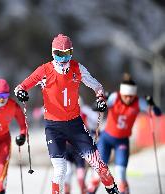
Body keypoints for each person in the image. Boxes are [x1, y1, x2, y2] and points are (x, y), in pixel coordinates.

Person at [14, 34, 120, 194]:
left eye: (67, 54)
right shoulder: (44, 70)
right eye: (59, 54)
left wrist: (101, 99)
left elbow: (97, 86)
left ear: (72, 52)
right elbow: (20, 87)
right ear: (52, 53)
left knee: (98, 164)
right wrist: (21, 93)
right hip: (53, 127)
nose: (63, 59)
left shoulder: (78, 68)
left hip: (75, 125)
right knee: (60, 170)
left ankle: (113, 190)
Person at [87, 74, 162, 194]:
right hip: (106, 139)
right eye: (126, 96)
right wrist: (100, 104)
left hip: (121, 141)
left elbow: (156, 113)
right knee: (99, 171)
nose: (128, 99)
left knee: (121, 173)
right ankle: (90, 191)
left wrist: (152, 105)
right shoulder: (115, 97)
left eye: (131, 96)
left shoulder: (138, 102)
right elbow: (96, 107)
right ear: (121, 93)